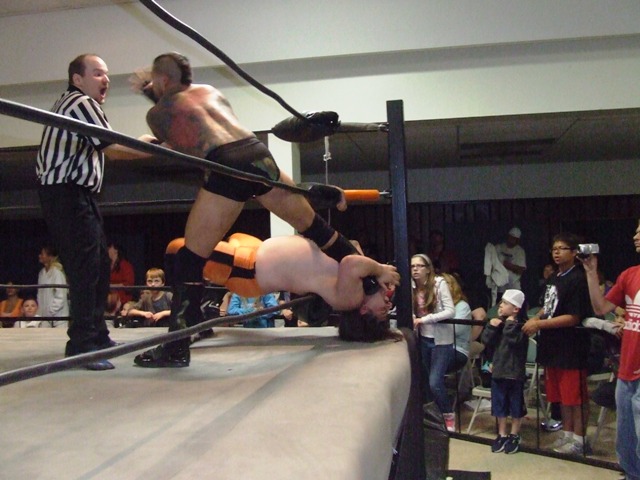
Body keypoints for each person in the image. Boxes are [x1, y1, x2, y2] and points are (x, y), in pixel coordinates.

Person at [131, 52, 360, 367]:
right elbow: (194, 117)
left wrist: (153, 134)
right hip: (257, 153)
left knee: (189, 259)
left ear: (163, 80)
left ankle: (176, 347)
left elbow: (183, 145)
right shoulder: (211, 91)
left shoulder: (157, 114)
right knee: (318, 230)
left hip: (226, 165)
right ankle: (371, 289)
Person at [36, 54, 153, 370]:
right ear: (77, 79)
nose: (106, 79)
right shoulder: (80, 102)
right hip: (66, 193)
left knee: (99, 263)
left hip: (74, 195)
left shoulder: (74, 104)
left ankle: (97, 336)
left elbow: (107, 146)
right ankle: (82, 345)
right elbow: (113, 148)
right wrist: (151, 147)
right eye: (98, 73)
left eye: (107, 74)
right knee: (86, 267)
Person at [134, 233, 399, 367]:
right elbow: (351, 246)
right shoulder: (355, 285)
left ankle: (180, 338)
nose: (387, 304)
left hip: (248, 270)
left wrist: (380, 270)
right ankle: (194, 320)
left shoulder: (350, 298)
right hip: (255, 250)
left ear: (364, 311)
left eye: (383, 312)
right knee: (193, 245)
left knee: (178, 250)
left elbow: (352, 262)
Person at [522, 232, 593, 456]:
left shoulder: (578, 278)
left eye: (562, 248)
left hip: (571, 346)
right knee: (561, 396)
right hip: (552, 346)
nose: (556, 252)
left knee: (575, 397)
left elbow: (573, 317)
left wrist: (539, 324)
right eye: (554, 248)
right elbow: (549, 306)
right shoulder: (555, 277)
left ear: (574, 252)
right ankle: (567, 433)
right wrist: (536, 317)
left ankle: (580, 439)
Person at [580, 221, 640, 480]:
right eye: (635, 229)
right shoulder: (629, 274)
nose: (635, 235)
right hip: (626, 370)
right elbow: (600, 307)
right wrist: (591, 272)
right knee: (626, 441)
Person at [411, 254, 456, 432]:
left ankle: (448, 414)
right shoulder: (411, 286)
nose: (415, 269)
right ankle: (434, 418)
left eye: (419, 266)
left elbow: (450, 311)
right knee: (425, 381)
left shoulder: (439, 284)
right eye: (412, 266)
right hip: (423, 338)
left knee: (434, 382)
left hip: (441, 340)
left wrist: (425, 319)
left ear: (428, 269)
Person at [481, 289, 529, 455]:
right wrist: (492, 327)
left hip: (514, 373)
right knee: (499, 404)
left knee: (515, 405)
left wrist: (509, 324)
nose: (500, 306)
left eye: (505, 303)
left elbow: (514, 340)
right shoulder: (498, 323)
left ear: (515, 309)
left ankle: (514, 434)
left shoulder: (521, 326)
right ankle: (501, 434)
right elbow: (486, 340)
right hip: (498, 370)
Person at [36, 246, 69, 328]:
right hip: (45, 317)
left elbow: (60, 295)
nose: (40, 256)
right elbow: (40, 294)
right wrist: (41, 312)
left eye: (42, 254)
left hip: (59, 316)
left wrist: (51, 311)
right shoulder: (42, 273)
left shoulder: (57, 273)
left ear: (50, 257)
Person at [495, 227, 527, 294]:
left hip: (513, 287)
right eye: (511, 237)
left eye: (514, 239)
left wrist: (506, 264)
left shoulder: (520, 251)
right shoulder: (498, 248)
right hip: (499, 288)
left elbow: (520, 270)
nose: (512, 240)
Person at [108, 242, 135, 307]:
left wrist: (111, 286)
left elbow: (128, 284)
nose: (107, 250)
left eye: (109, 248)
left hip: (122, 299)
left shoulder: (125, 265)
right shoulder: (106, 265)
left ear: (116, 250)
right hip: (108, 299)